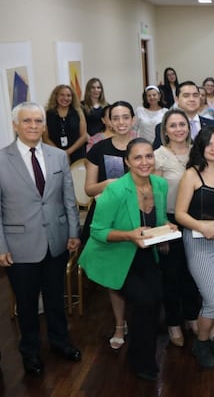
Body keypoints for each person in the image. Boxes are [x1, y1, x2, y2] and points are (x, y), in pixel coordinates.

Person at [0, 102, 82, 377]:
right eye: (27, 121)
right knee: (26, 306)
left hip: (56, 241)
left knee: (55, 299)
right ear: (15, 125)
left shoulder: (58, 156)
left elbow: (68, 199)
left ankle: (61, 343)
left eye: (38, 121)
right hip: (19, 247)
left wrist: (74, 233)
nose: (34, 126)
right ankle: (31, 353)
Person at [79, 138, 172, 381]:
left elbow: (158, 219)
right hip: (114, 255)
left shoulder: (160, 185)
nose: (145, 162)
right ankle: (141, 362)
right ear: (127, 162)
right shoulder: (116, 190)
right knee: (144, 301)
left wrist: (166, 229)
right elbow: (97, 231)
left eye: (149, 156)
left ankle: (143, 355)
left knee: (154, 300)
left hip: (144, 253)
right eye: (138, 157)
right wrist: (129, 236)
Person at [174, 128, 214, 368]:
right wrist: (202, 227)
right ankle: (200, 342)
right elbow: (180, 214)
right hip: (199, 242)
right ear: (200, 147)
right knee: (213, 300)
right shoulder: (191, 175)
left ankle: (212, 340)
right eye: (209, 144)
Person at [85, 101, 136, 350]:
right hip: (109, 219)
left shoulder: (143, 148)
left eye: (126, 117)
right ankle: (119, 324)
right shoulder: (98, 149)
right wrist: (110, 184)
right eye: (115, 118)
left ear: (133, 120)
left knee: (136, 274)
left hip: (136, 217)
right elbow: (89, 188)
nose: (121, 122)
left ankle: (138, 322)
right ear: (108, 121)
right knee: (113, 277)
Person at [154, 109, 200, 347]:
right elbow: (155, 194)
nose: (179, 129)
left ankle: (192, 316)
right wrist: (161, 229)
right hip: (169, 222)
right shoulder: (159, 156)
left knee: (193, 273)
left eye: (183, 124)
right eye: (173, 126)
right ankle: (173, 323)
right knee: (171, 275)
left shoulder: (197, 153)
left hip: (195, 221)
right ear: (165, 130)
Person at [153, 81, 214, 149]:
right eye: (186, 96)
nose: (192, 99)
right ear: (177, 100)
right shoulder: (163, 128)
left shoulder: (213, 125)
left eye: (195, 95)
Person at [43, 84, 88, 162]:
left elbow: (84, 136)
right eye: (62, 95)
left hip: (77, 154)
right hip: (54, 154)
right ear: (56, 96)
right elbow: (45, 138)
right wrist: (60, 153)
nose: (65, 98)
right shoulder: (48, 114)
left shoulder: (78, 112)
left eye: (69, 95)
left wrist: (68, 152)